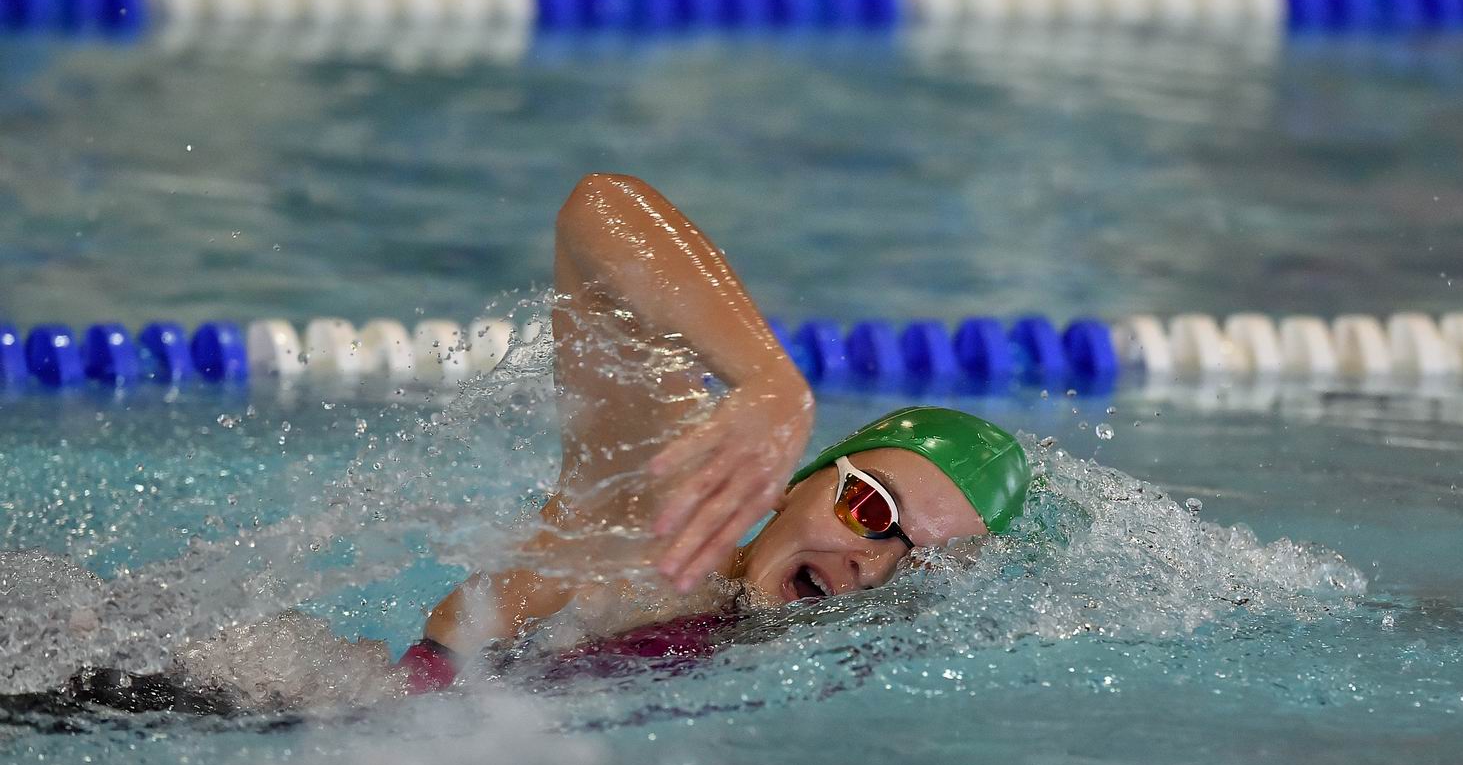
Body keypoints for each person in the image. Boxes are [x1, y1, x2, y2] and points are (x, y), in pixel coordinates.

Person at [398, 174, 1031, 691]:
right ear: (792, 483)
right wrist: (771, 383)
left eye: (925, 563)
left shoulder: (804, 664)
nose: (873, 567)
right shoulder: (653, 532)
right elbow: (600, 208)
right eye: (870, 508)